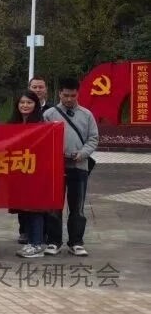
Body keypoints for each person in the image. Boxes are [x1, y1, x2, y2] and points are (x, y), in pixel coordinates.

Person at [43, 78, 98, 257]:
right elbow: (42, 138)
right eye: (65, 95)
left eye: (72, 96)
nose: (68, 99)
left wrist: (81, 154)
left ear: (77, 94)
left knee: (77, 207)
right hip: (55, 168)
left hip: (79, 166)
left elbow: (93, 139)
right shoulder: (49, 114)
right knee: (54, 206)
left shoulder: (87, 115)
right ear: (59, 93)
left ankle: (76, 242)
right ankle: (53, 241)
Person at [8, 91, 47, 258]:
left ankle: (37, 244)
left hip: (36, 173)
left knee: (35, 209)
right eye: (22, 102)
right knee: (25, 210)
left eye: (29, 102)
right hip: (18, 172)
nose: (25, 105)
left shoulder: (41, 124)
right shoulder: (12, 124)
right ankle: (30, 241)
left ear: (35, 105)